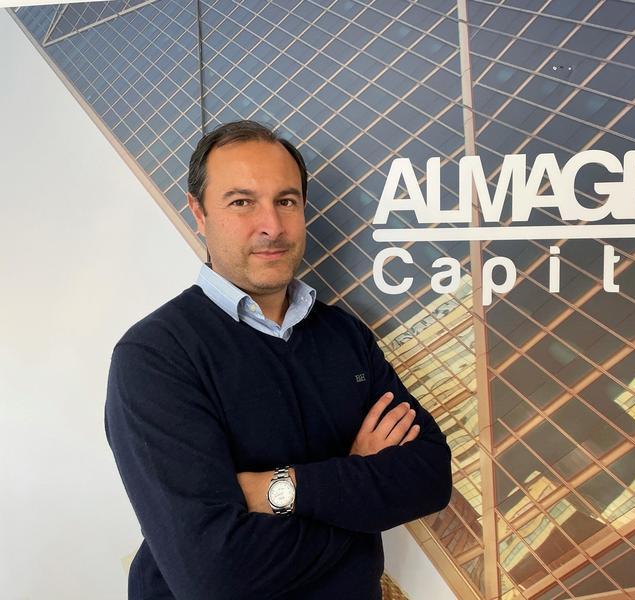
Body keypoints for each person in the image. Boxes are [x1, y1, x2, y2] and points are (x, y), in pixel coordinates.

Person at [105, 120, 452, 599]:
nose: (271, 226)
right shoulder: (155, 357)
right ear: (199, 213)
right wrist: (356, 489)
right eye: (242, 202)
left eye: (286, 201)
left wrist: (278, 489)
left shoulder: (344, 335)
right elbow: (216, 578)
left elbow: (429, 478)